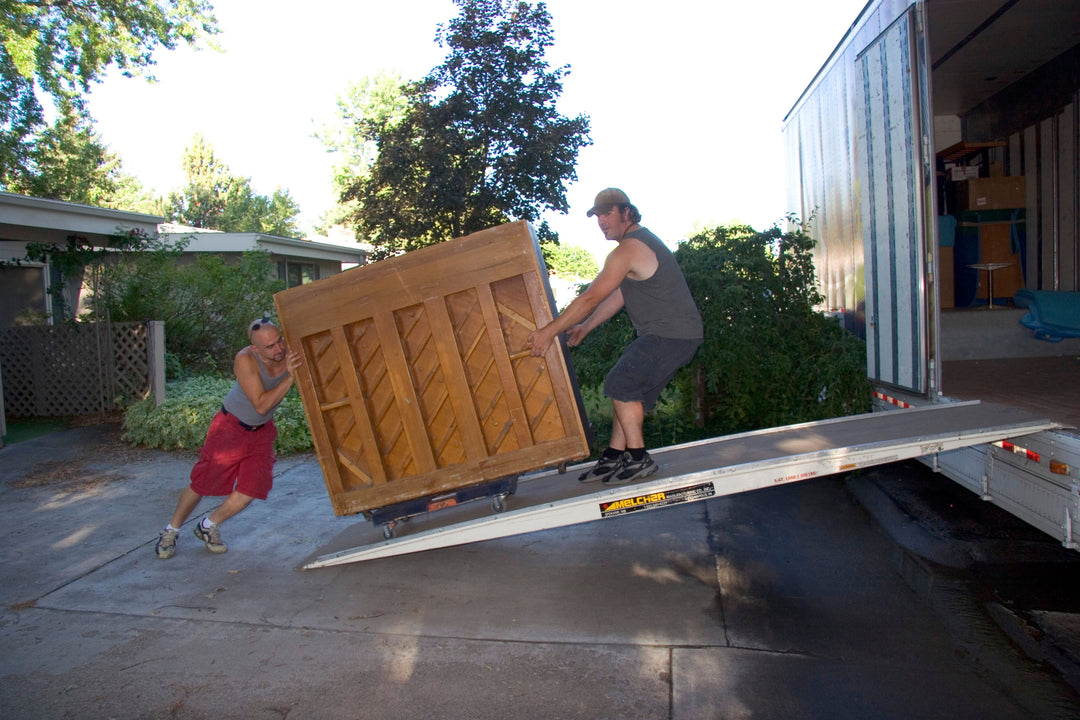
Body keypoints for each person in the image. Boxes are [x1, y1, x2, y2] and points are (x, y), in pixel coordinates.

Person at [528, 188, 702, 484]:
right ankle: (612, 457)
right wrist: (586, 327)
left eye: (608, 213)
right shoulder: (637, 247)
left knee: (621, 382)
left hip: (670, 334)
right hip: (678, 335)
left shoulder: (629, 248)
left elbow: (591, 297)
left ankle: (638, 459)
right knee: (630, 392)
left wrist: (548, 332)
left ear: (626, 213)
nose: (602, 220)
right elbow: (619, 295)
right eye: (597, 215)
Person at [155, 317, 302, 559]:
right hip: (230, 428)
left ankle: (208, 525)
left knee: (251, 488)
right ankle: (171, 531)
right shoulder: (245, 360)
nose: (279, 349)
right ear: (255, 348)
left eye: (279, 342)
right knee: (202, 483)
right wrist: (290, 378)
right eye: (270, 347)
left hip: (262, 432)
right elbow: (262, 405)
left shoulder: (289, 353)